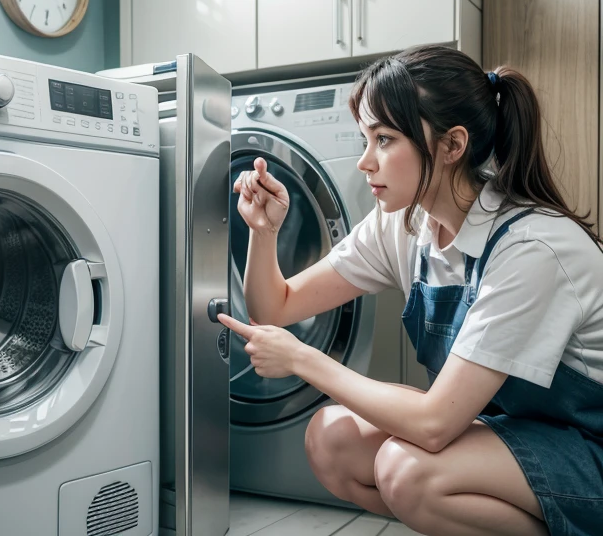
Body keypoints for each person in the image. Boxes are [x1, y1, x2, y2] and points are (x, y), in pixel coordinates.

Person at [218, 44, 603, 536]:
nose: (364, 162)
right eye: (364, 139)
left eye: (384, 139)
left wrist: (302, 359)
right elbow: (276, 307)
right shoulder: (403, 224)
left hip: (587, 448)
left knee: (408, 471)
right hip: (509, 431)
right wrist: (264, 232)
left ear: (452, 145)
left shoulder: (531, 249)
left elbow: (433, 424)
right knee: (331, 439)